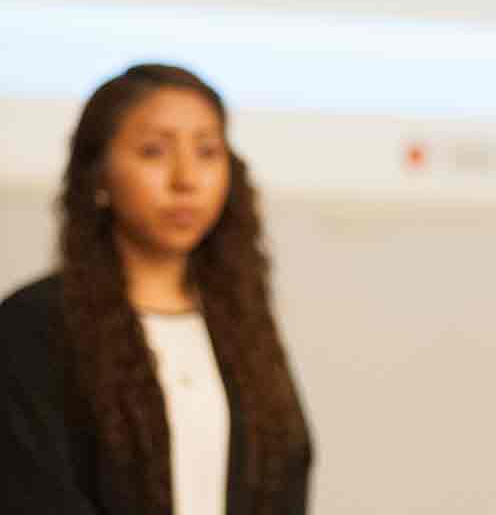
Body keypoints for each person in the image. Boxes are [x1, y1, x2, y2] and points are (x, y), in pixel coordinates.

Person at [0, 64, 312, 514]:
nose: (186, 179)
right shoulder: (33, 323)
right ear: (99, 176)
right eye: (153, 152)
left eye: (207, 151)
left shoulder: (239, 320)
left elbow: (286, 477)